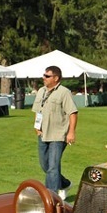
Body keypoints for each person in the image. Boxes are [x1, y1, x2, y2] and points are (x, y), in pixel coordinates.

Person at [33, 65, 78, 199]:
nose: (44, 78)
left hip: (58, 135)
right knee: (45, 165)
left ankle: (50, 198)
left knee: (53, 167)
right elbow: (38, 110)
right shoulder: (41, 91)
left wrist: (71, 132)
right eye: (44, 75)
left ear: (56, 78)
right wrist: (36, 125)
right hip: (43, 133)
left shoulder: (64, 92)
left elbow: (73, 113)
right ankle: (65, 184)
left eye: (47, 76)